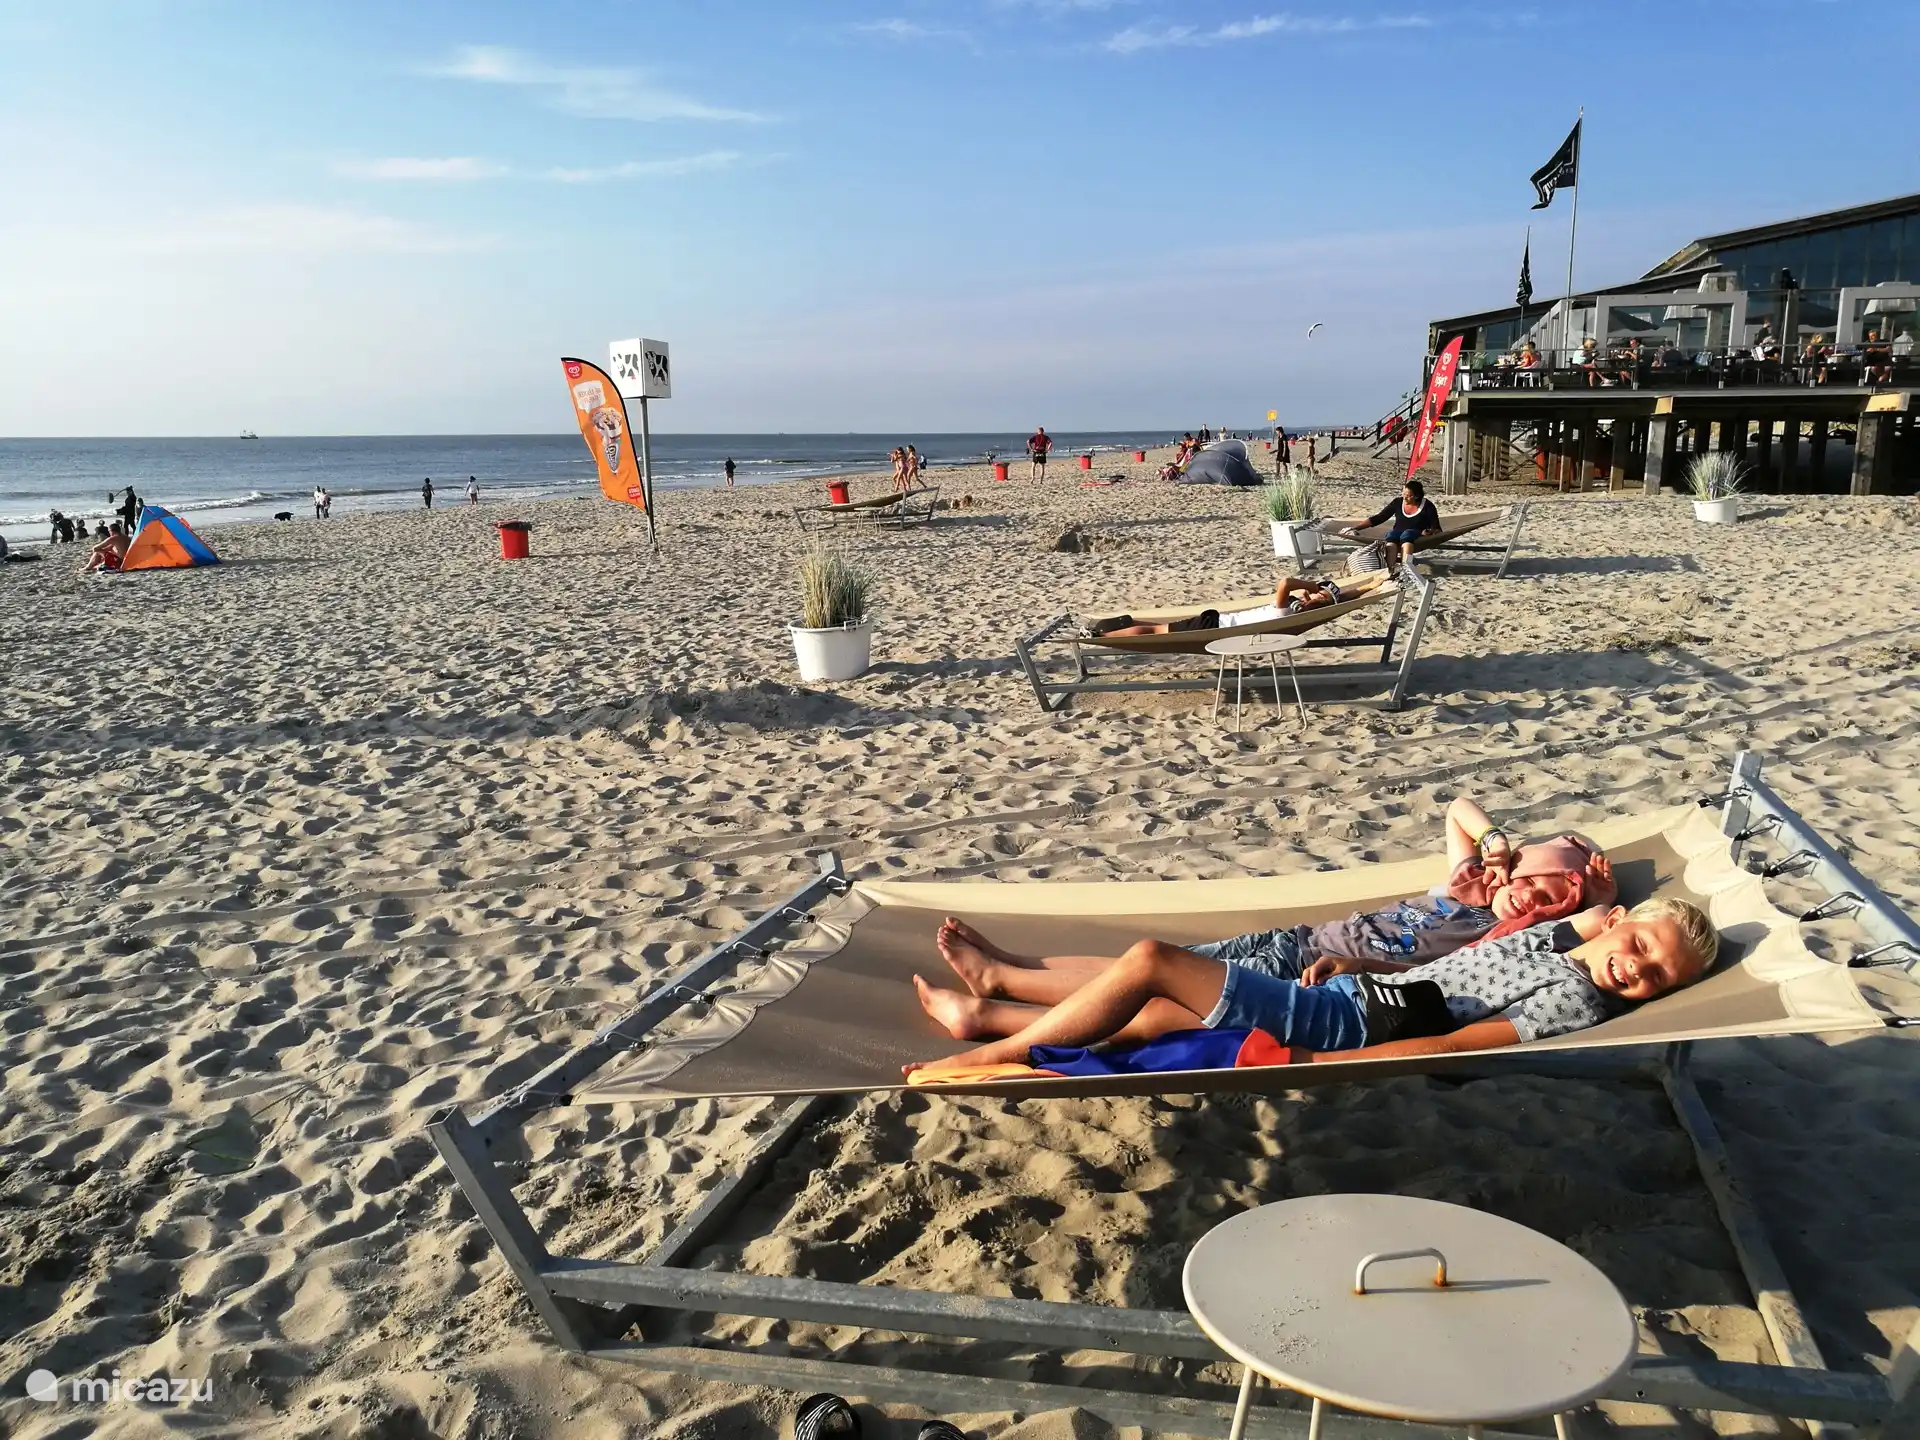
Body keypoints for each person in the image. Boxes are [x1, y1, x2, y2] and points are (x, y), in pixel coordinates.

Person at [904, 893, 1714, 1079]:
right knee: (1152, 1010)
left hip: (1348, 1032)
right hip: (1356, 995)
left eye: (1656, 978)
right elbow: (1447, 979)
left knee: (1153, 957)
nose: (1637, 968)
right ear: (1618, 922)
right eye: (1643, 943)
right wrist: (1366, 966)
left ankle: (989, 1050)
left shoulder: (1575, 997)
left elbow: (1462, 1039)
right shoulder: (1559, 945)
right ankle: (997, 1026)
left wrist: (1327, 1062)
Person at [1086, 568, 1393, 638]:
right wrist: (1369, 585)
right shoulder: (1292, 611)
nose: (1311, 594)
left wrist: (1311, 586)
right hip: (1216, 622)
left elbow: (1286, 582)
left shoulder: (1287, 609)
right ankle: (1116, 627)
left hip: (1213, 625)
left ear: (1313, 601)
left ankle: (1105, 635)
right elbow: (1343, 597)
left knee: (1154, 632)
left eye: (1315, 596)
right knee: (1156, 628)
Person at [1344, 478, 1440, 575]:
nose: (1405, 498)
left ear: (1417, 496)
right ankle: (1390, 570)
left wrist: (1429, 532)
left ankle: (1406, 569)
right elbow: (1380, 517)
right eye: (1404, 494)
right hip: (1398, 534)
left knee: (1407, 534)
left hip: (1416, 535)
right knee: (1391, 535)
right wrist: (1356, 528)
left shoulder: (1427, 506)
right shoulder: (1398, 502)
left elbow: (1436, 528)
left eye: (1408, 496)